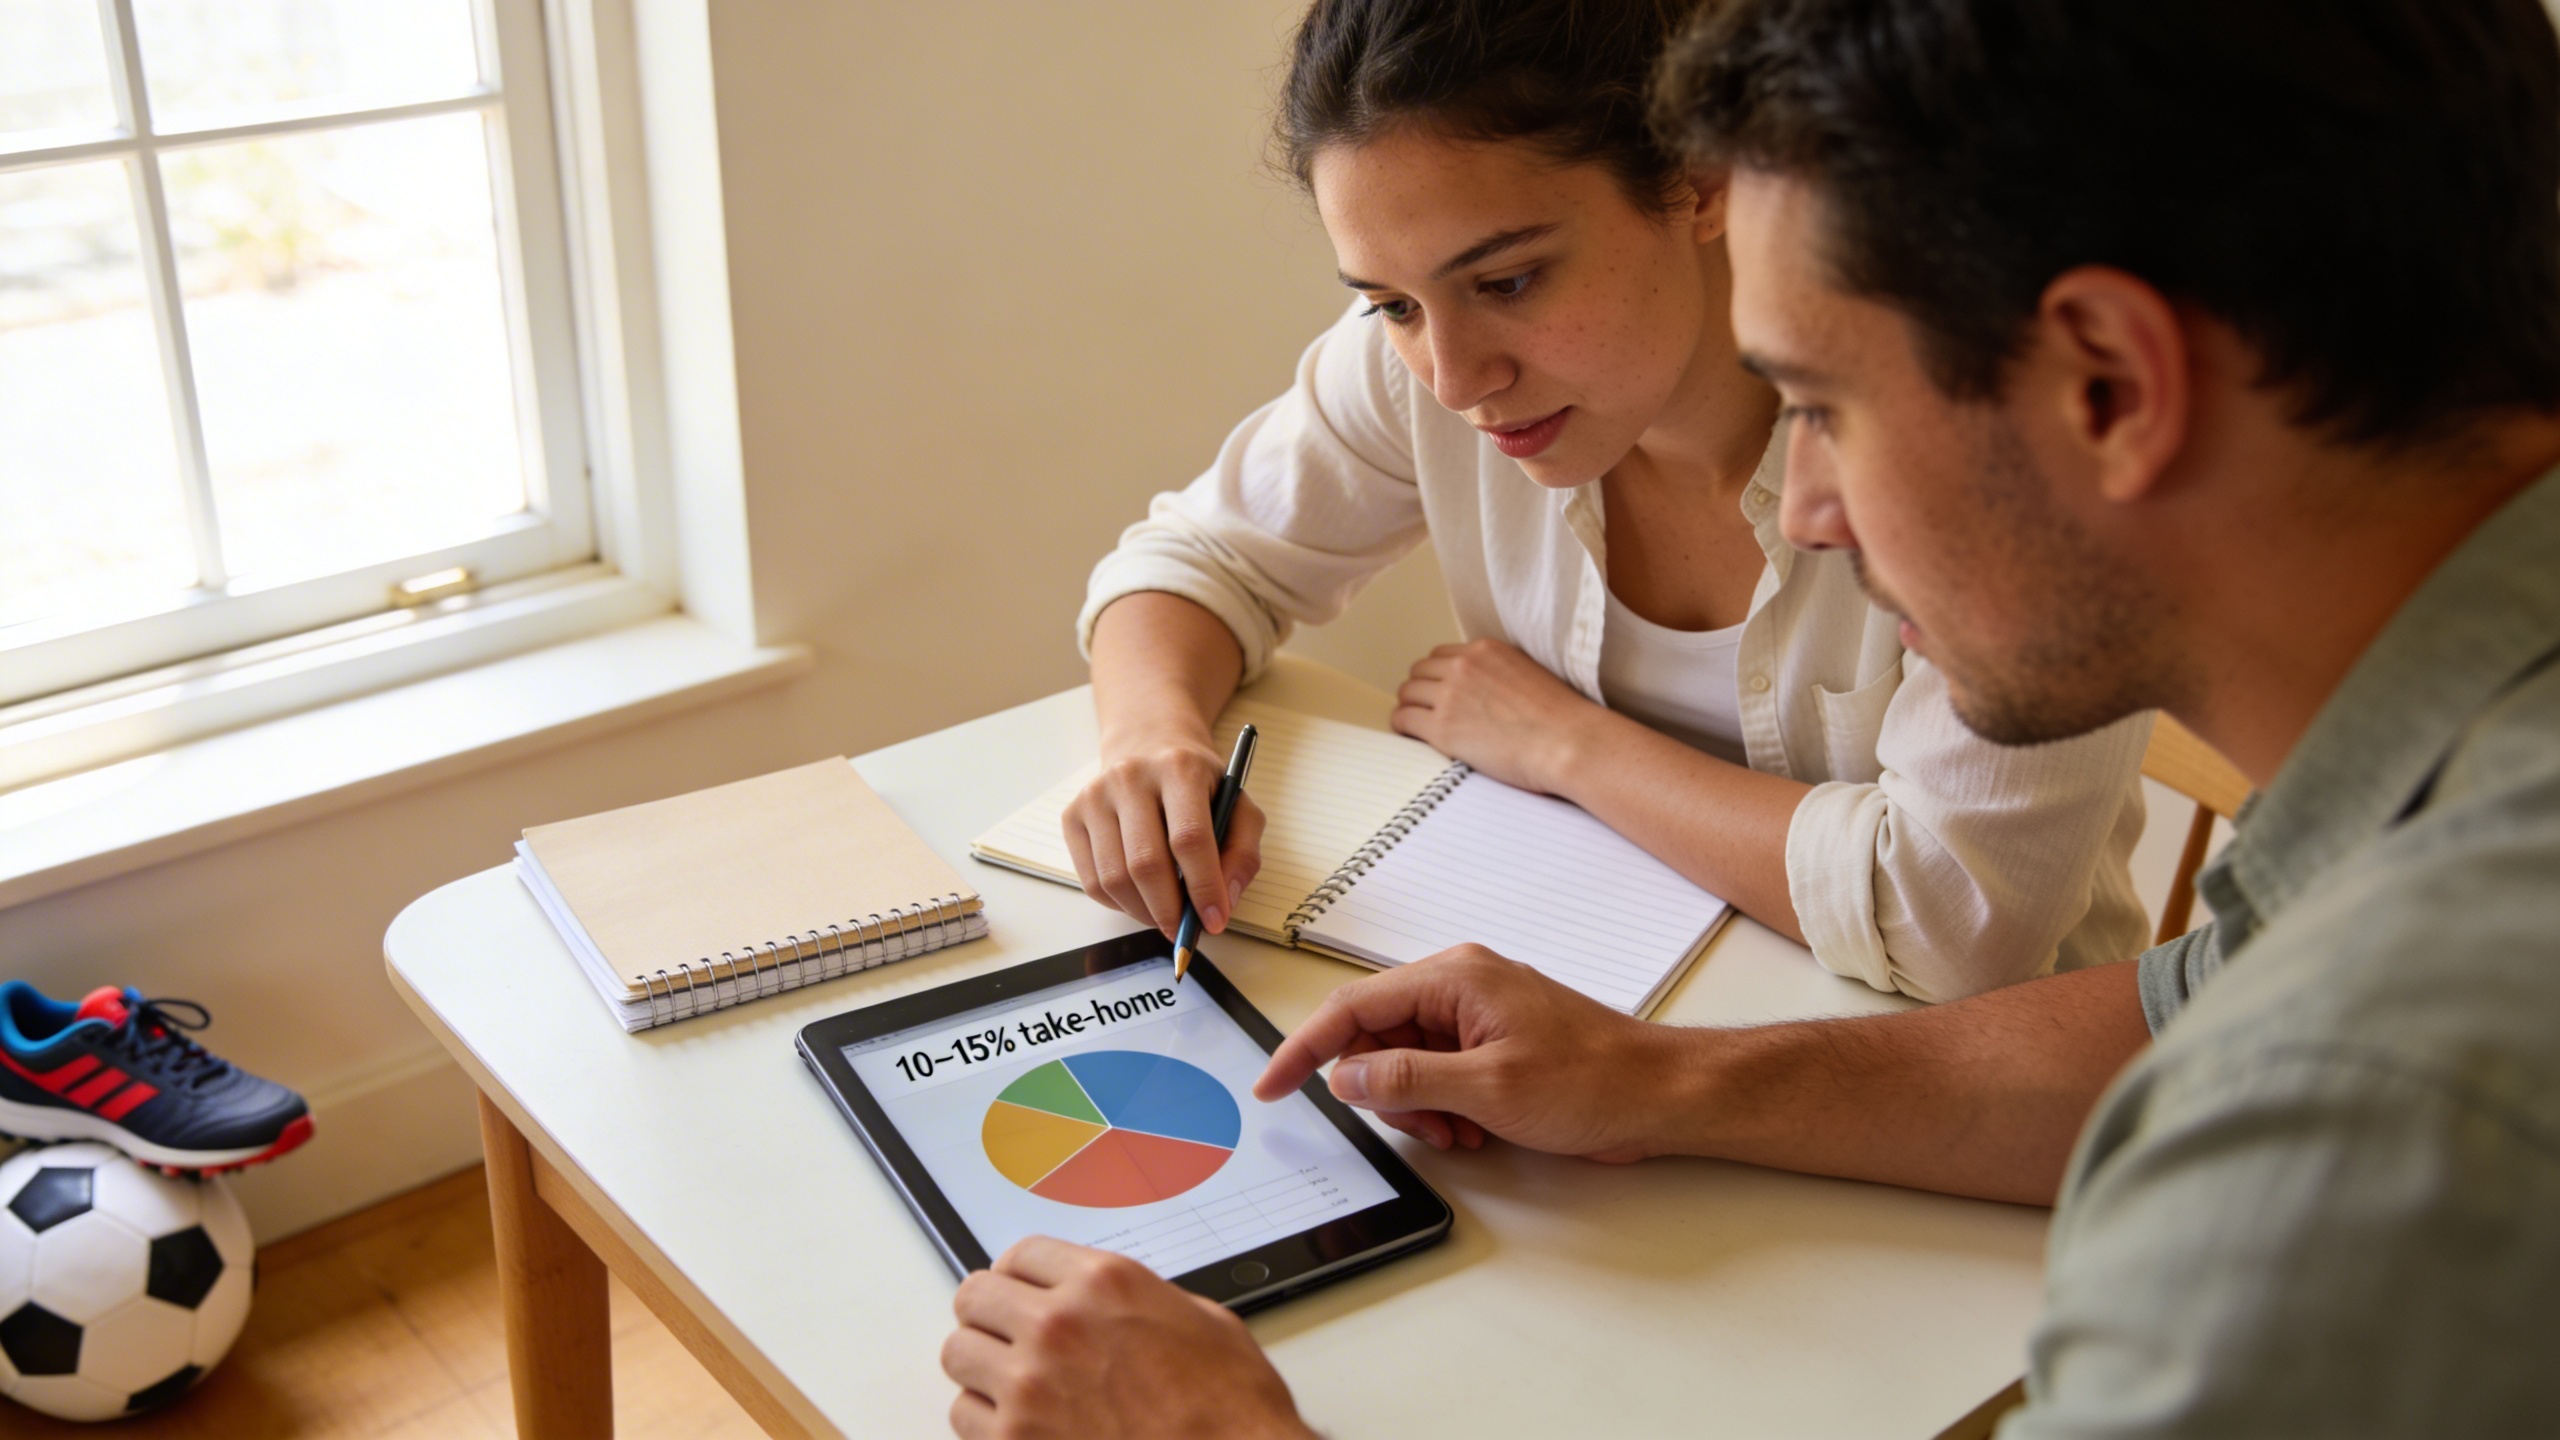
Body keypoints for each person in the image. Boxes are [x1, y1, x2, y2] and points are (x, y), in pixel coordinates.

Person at [938, 0, 2560, 1434]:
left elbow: (2256, 1050)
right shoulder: (2423, 800)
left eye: (1823, 406)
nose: (1811, 514)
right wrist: (1672, 1085)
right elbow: (2194, 1005)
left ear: (2111, 386)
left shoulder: (2374, 1115)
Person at [1065, 0, 2151, 1006]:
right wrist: (1150, 739)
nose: (1451, 379)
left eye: (1508, 282)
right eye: (1392, 303)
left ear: (1700, 179)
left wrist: (1568, 747)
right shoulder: (1420, 373)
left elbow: (1950, 926)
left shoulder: (1971, 425)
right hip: (1598, 1025)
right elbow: (1201, 559)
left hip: (1952, 1109)